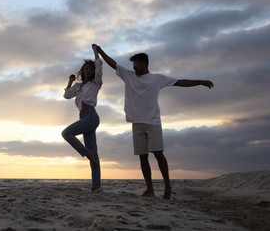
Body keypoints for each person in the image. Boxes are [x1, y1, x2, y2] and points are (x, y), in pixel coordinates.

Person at [95, 45, 214, 199]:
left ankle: (167, 187)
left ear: (145, 64)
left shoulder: (157, 78)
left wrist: (200, 81)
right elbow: (113, 64)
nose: (134, 66)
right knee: (142, 157)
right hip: (136, 122)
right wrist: (101, 51)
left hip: (153, 122)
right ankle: (149, 189)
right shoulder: (129, 76)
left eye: (136, 63)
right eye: (133, 64)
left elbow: (180, 82)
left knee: (158, 154)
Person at [62, 44, 103, 191]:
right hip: (83, 118)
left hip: (91, 116)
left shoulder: (95, 83)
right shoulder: (78, 87)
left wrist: (95, 52)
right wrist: (70, 82)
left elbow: (99, 66)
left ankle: (86, 153)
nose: (89, 71)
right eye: (86, 69)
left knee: (66, 133)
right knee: (94, 153)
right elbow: (67, 95)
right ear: (82, 71)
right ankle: (96, 184)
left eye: (91, 69)